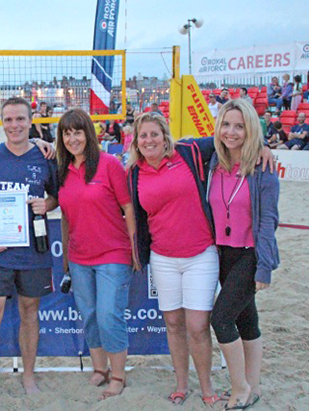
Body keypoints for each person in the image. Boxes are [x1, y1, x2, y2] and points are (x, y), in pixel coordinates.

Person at [127, 113, 222, 406]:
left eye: (154, 134)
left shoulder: (189, 152)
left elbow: (230, 141)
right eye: (143, 136)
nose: (149, 140)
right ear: (136, 141)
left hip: (200, 254)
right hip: (163, 257)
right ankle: (181, 384)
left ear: (165, 135)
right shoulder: (134, 172)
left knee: (197, 326)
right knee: (173, 324)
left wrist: (265, 148)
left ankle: (206, 387)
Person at [0, 97, 59, 406]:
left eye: (20, 119)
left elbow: (57, 196)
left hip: (33, 248)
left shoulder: (45, 156)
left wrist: (46, 204)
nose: (15, 125)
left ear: (30, 120)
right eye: (9, 120)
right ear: (1, 122)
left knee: (29, 311)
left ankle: (28, 376)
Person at [57, 108, 136, 400]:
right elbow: (65, 214)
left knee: (108, 316)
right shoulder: (63, 171)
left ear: (88, 134)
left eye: (77, 131)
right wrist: (66, 256)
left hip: (113, 253)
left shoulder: (109, 164)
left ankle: (118, 375)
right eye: (67, 132)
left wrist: (133, 249)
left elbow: (128, 208)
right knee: (89, 315)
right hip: (79, 257)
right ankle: (100, 369)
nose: (72, 138)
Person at [208, 99, 279, 410]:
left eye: (239, 126)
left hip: (250, 254)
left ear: (250, 129)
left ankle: (239, 387)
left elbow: (268, 221)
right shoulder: (214, 162)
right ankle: (254, 386)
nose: (231, 132)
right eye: (226, 124)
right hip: (222, 253)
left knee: (221, 318)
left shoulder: (263, 167)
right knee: (247, 319)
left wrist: (265, 266)